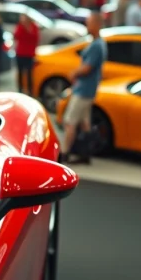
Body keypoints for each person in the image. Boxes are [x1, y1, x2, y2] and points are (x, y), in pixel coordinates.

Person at [60, 12, 107, 165]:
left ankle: (65, 153)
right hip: (88, 88)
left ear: (97, 24)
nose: (87, 25)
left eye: (90, 23)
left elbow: (87, 68)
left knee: (70, 121)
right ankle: (85, 152)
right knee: (84, 122)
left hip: (84, 89)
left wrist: (74, 73)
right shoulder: (99, 43)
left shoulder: (96, 45)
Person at [14, 13, 40, 95]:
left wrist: (28, 29)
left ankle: (30, 91)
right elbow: (16, 36)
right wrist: (23, 27)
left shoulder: (34, 27)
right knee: (20, 73)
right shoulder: (20, 26)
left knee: (29, 74)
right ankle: (20, 90)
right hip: (20, 53)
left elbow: (36, 39)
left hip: (29, 54)